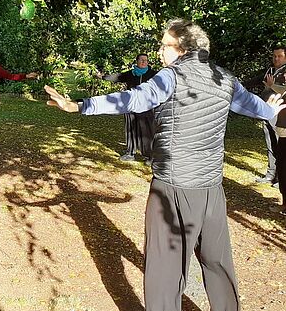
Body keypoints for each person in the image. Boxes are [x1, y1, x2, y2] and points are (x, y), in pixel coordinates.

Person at [45, 19, 285, 311]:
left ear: (182, 47)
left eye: (164, 45)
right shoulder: (225, 79)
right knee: (218, 264)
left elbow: (133, 99)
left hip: (172, 190)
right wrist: (271, 109)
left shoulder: (171, 76)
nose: (159, 51)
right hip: (211, 191)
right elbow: (257, 108)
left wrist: (80, 105)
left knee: (164, 272)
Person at [97, 53, 157, 162]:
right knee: (131, 128)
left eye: (146, 60)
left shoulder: (153, 74)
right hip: (131, 105)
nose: (144, 62)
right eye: (141, 60)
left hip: (146, 106)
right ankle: (130, 153)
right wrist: (103, 77)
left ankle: (149, 156)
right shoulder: (131, 74)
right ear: (137, 62)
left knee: (147, 131)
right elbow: (117, 77)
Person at [243, 45, 286, 185]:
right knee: (270, 144)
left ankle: (281, 178)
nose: (276, 59)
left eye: (279, 56)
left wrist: (272, 86)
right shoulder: (270, 70)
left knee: (281, 146)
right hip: (266, 112)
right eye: (274, 56)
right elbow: (254, 81)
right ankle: (270, 174)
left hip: (281, 115)